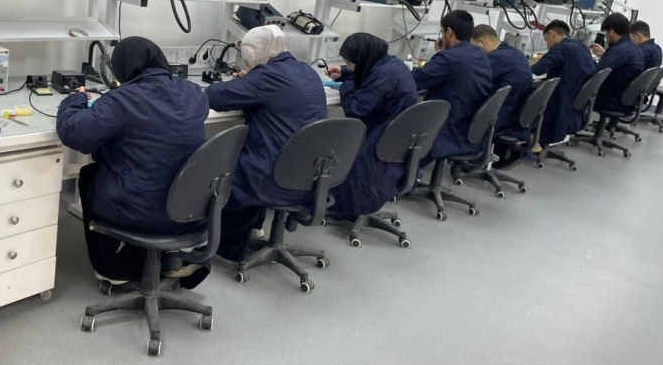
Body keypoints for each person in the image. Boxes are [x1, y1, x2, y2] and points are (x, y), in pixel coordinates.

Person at [57, 37, 209, 287]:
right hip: (189, 207)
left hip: (143, 211)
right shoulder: (193, 92)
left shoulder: (122, 100)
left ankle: (113, 269)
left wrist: (74, 100)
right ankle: (173, 259)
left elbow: (73, 132)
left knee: (90, 175)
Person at [205, 26, 327, 262]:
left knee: (222, 168)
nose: (246, 60)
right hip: (311, 172)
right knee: (259, 153)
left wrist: (248, 82)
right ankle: (255, 228)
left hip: (274, 173)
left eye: (247, 54)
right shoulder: (306, 69)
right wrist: (250, 81)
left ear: (255, 51)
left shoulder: (267, 77)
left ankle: (226, 247)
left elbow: (215, 97)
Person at [326, 33, 418, 219]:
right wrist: (345, 72)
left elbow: (355, 110)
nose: (349, 66)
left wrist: (346, 85)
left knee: (341, 146)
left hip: (382, 139)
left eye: (349, 63)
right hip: (399, 136)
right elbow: (370, 74)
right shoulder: (390, 64)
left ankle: (346, 206)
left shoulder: (384, 76)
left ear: (362, 58)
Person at [411, 10, 493, 165]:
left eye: (442, 32)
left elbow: (414, 81)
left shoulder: (449, 58)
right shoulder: (479, 54)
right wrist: (445, 53)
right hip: (469, 130)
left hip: (447, 131)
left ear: (449, 32)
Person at [531, 20, 597, 146]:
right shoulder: (582, 47)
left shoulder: (561, 48)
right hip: (574, 100)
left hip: (561, 99)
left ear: (552, 34)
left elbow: (538, 70)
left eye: (546, 40)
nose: (547, 46)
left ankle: (528, 138)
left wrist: (529, 64)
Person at [471, 24, 533, 142]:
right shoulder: (516, 53)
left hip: (502, 118)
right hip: (517, 116)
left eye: (473, 47)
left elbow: (471, 79)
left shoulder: (496, 58)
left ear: (482, 42)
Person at [591, 12, 645, 113]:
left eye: (606, 33)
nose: (606, 37)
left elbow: (598, 71)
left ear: (611, 32)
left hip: (612, 100)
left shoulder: (620, 50)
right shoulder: (633, 48)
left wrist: (583, 59)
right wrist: (605, 54)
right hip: (625, 98)